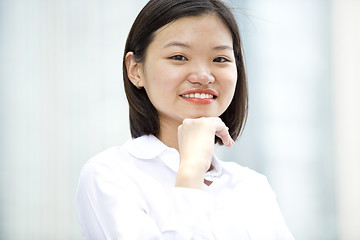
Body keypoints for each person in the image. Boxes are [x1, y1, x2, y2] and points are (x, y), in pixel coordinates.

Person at [77, 0, 294, 239]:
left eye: (220, 59)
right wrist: (190, 171)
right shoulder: (110, 174)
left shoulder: (252, 186)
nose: (203, 76)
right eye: (179, 56)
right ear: (135, 70)